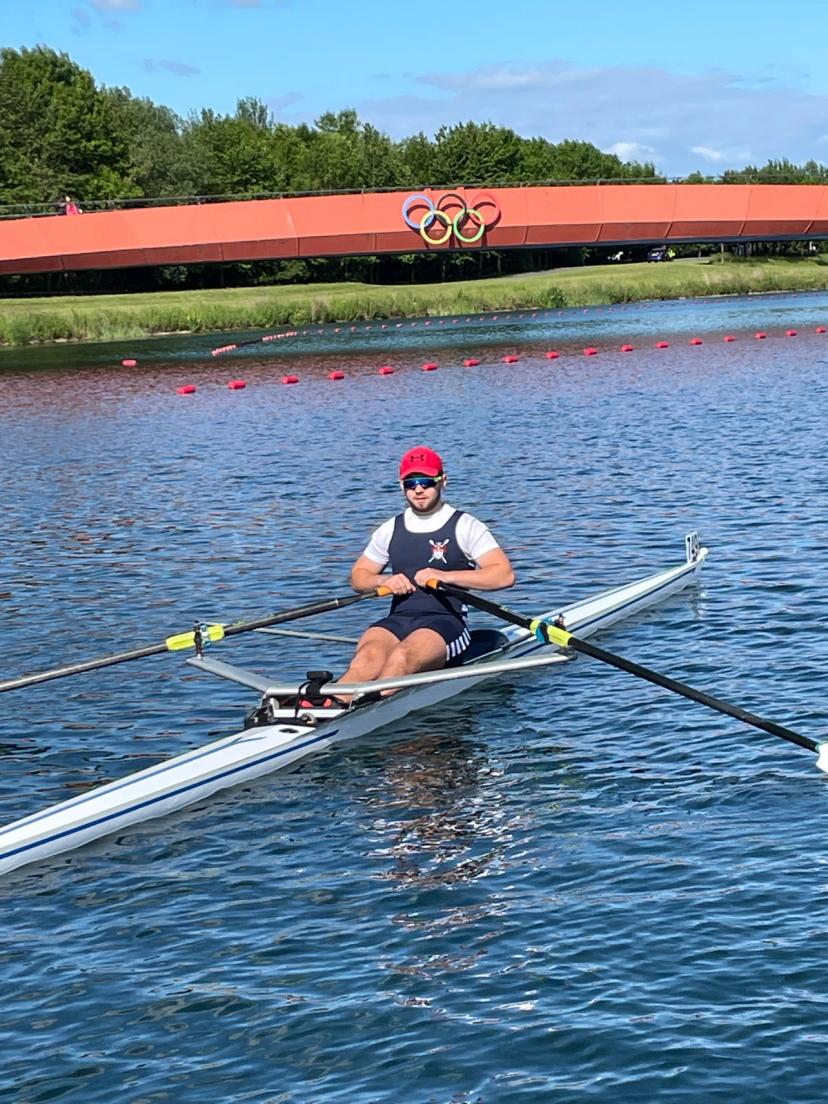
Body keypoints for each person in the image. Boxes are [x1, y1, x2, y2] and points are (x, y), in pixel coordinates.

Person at [334, 446, 515, 694]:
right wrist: (384, 581)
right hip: (398, 619)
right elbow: (359, 577)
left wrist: (445, 576)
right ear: (401, 486)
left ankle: (369, 710)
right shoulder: (389, 529)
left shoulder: (465, 525)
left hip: (447, 623)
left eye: (427, 482)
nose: (419, 489)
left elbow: (503, 574)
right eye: (411, 483)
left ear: (443, 482)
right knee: (364, 662)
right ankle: (324, 710)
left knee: (401, 659)